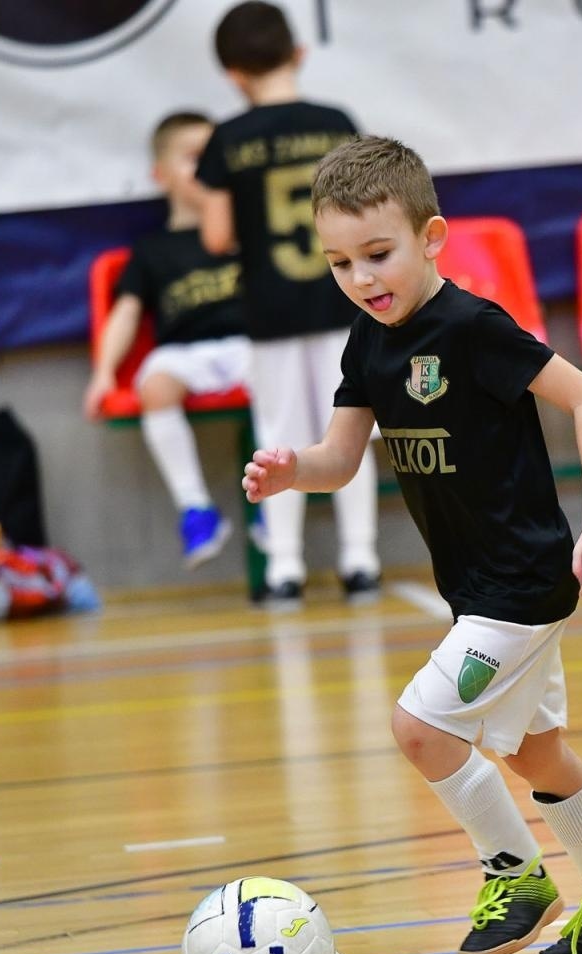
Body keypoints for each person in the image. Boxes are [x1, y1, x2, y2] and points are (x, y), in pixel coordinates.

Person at [242, 135, 582, 954]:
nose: (362, 279)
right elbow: (340, 461)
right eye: (340, 263)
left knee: (419, 729)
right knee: (532, 751)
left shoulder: (474, 328)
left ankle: (515, 875)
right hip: (475, 588)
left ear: (432, 237)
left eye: (378, 255)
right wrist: (291, 469)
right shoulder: (366, 341)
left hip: (520, 585)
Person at [197, 0, 380, 606]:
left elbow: (217, 237)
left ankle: (284, 569)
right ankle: (360, 560)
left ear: (233, 74)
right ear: (297, 53)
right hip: (343, 301)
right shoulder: (335, 121)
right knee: (349, 426)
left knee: (277, 436)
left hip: (270, 313)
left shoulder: (227, 138)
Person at [86, 112, 250, 570]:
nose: (209, 170)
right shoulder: (152, 251)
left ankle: (277, 508)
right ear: (161, 175)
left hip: (250, 345)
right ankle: (196, 509)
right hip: (185, 352)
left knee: (279, 377)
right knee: (155, 383)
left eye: (216, 159)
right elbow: (125, 314)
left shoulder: (247, 235)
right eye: (196, 159)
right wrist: (102, 374)